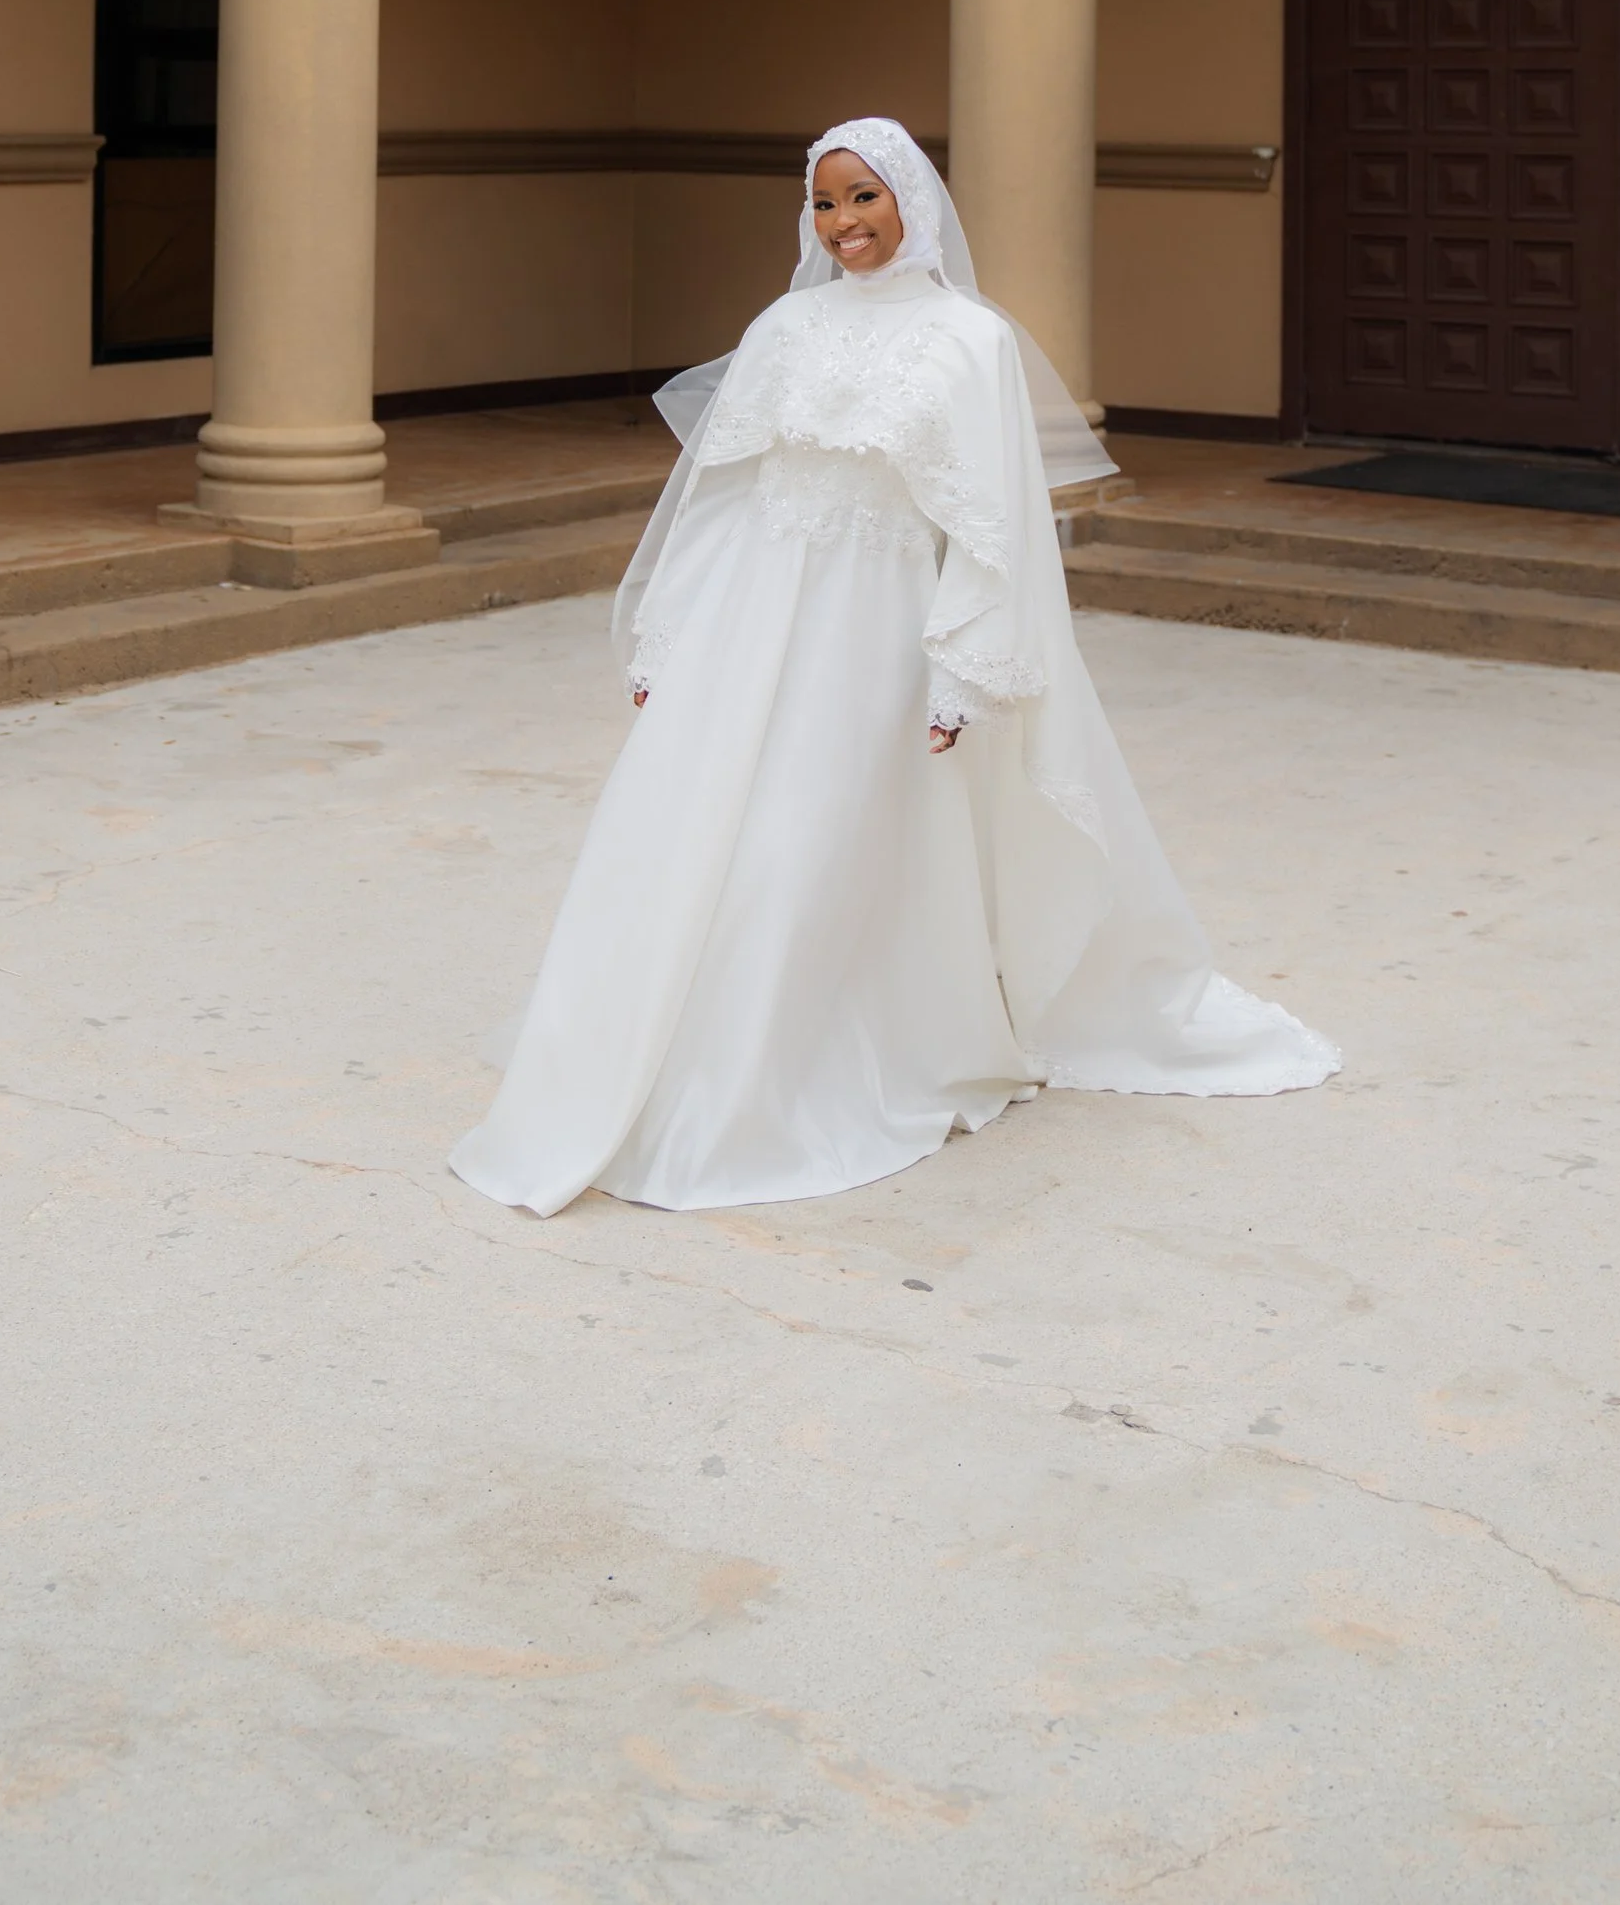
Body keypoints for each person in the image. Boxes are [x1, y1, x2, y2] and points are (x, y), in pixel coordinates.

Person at [450, 116, 1336, 1217]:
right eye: (824, 203)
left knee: (819, 841)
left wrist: (962, 669)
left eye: (863, 196)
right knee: (704, 833)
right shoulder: (783, 325)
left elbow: (992, 530)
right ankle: (678, 1058)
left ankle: (805, 1065)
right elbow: (721, 493)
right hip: (750, 618)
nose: (843, 224)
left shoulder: (971, 343)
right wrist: (670, 631)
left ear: (911, 197)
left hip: (875, 629)